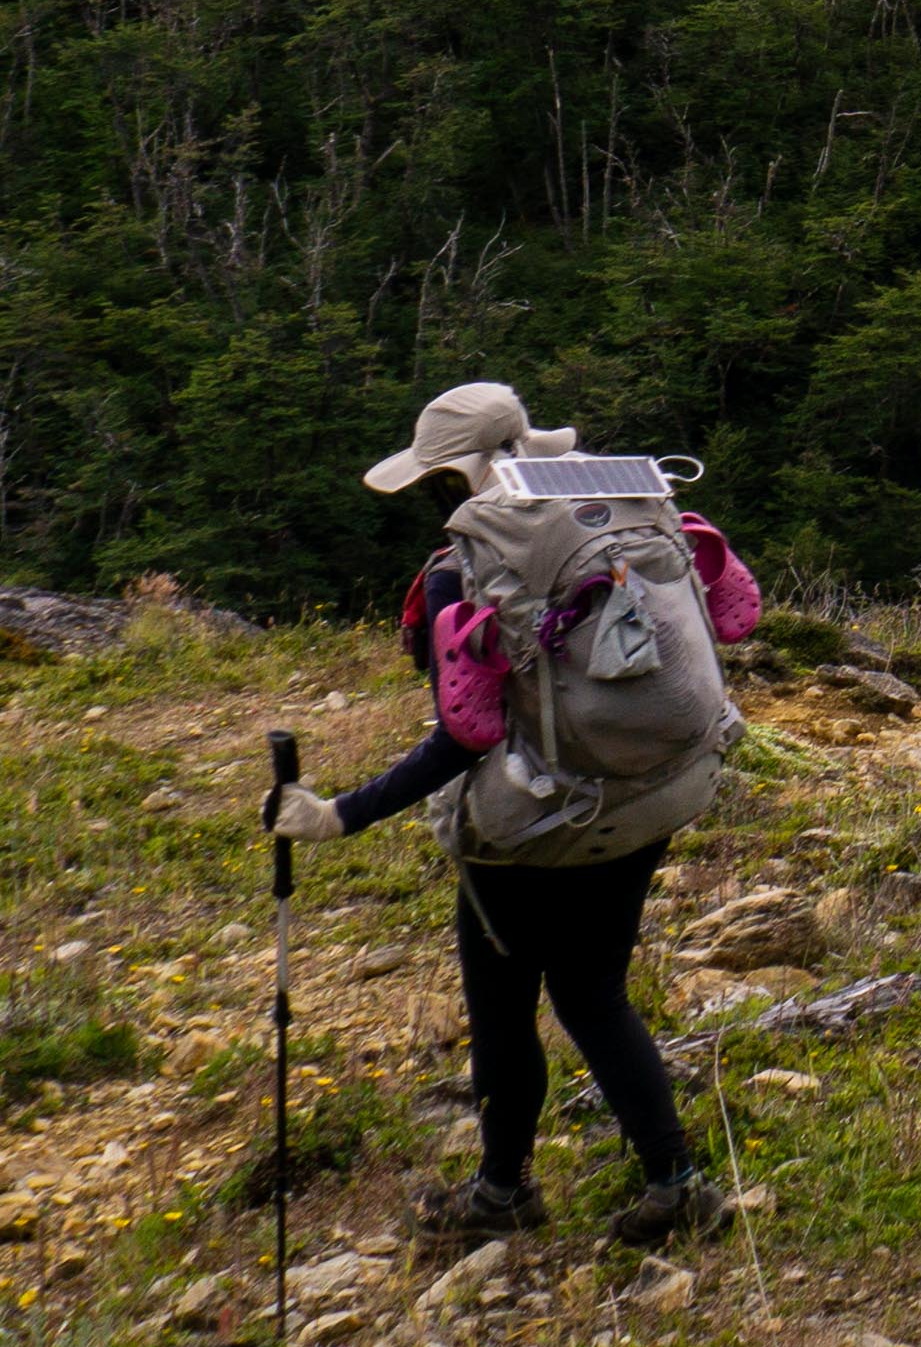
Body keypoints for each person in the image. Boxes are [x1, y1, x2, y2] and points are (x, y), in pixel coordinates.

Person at [267, 379, 762, 1246]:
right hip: (649, 795)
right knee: (595, 995)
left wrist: (340, 814)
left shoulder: (471, 561)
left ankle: (501, 1195)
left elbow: (464, 736)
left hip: (530, 831)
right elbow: (727, 619)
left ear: (454, 468)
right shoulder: (627, 507)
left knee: (503, 1007)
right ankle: (676, 1184)